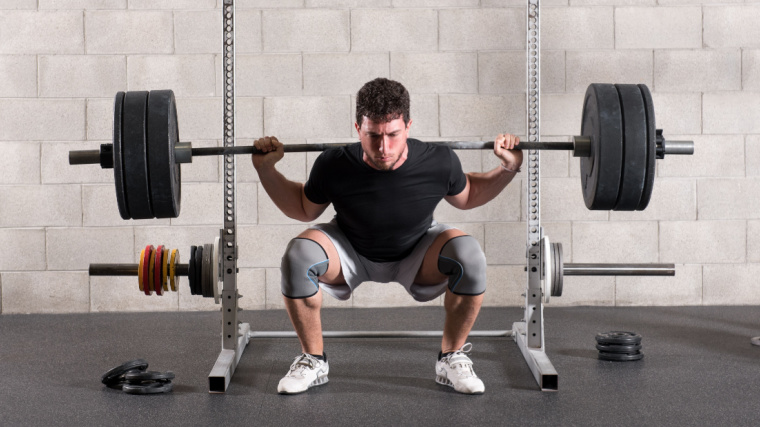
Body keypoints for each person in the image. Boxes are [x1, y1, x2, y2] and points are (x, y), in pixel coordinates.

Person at [251, 77, 522, 395]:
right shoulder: (334, 163)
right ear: (358, 128)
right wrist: (266, 170)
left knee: (470, 254)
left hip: (417, 252)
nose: (383, 147)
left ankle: (451, 358)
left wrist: (509, 167)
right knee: (299, 255)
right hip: (350, 251)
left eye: (393, 135)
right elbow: (302, 207)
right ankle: (313, 360)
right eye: (373, 136)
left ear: (408, 126)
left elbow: (469, 195)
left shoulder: (438, 160)